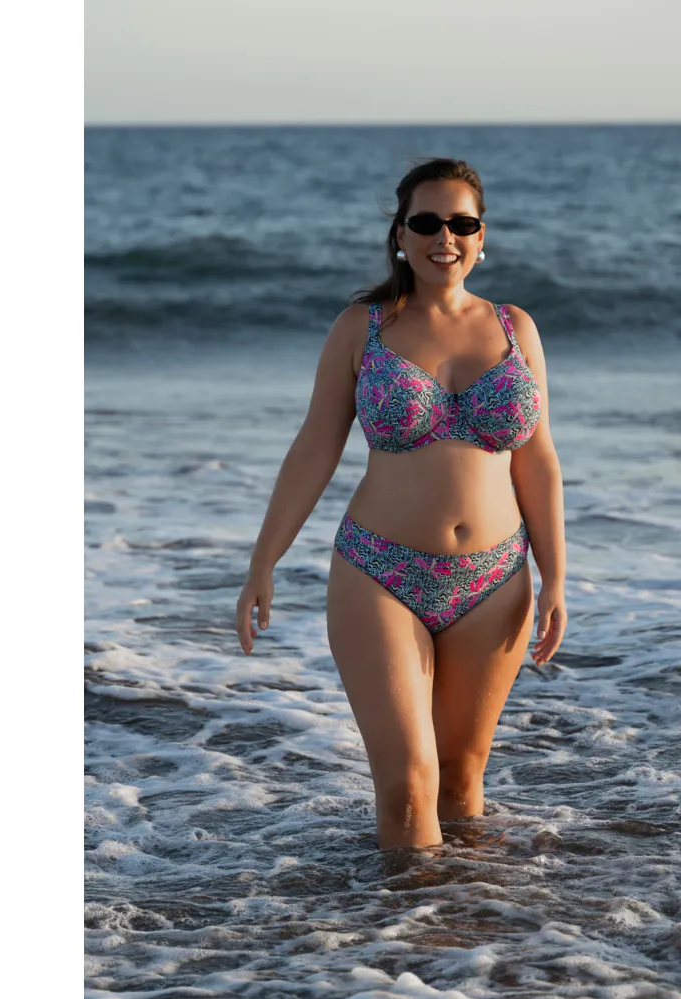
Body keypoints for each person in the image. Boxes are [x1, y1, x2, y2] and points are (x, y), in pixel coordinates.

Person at [234, 157, 569, 852]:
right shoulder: (362, 329)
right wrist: (264, 560)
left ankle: (466, 921)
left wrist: (556, 578)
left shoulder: (515, 327)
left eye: (462, 224)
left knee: (461, 778)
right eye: (427, 222)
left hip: (495, 579)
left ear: (482, 236)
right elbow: (314, 449)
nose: (445, 237)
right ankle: (399, 920)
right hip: (379, 573)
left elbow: (537, 460)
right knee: (408, 786)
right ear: (400, 234)